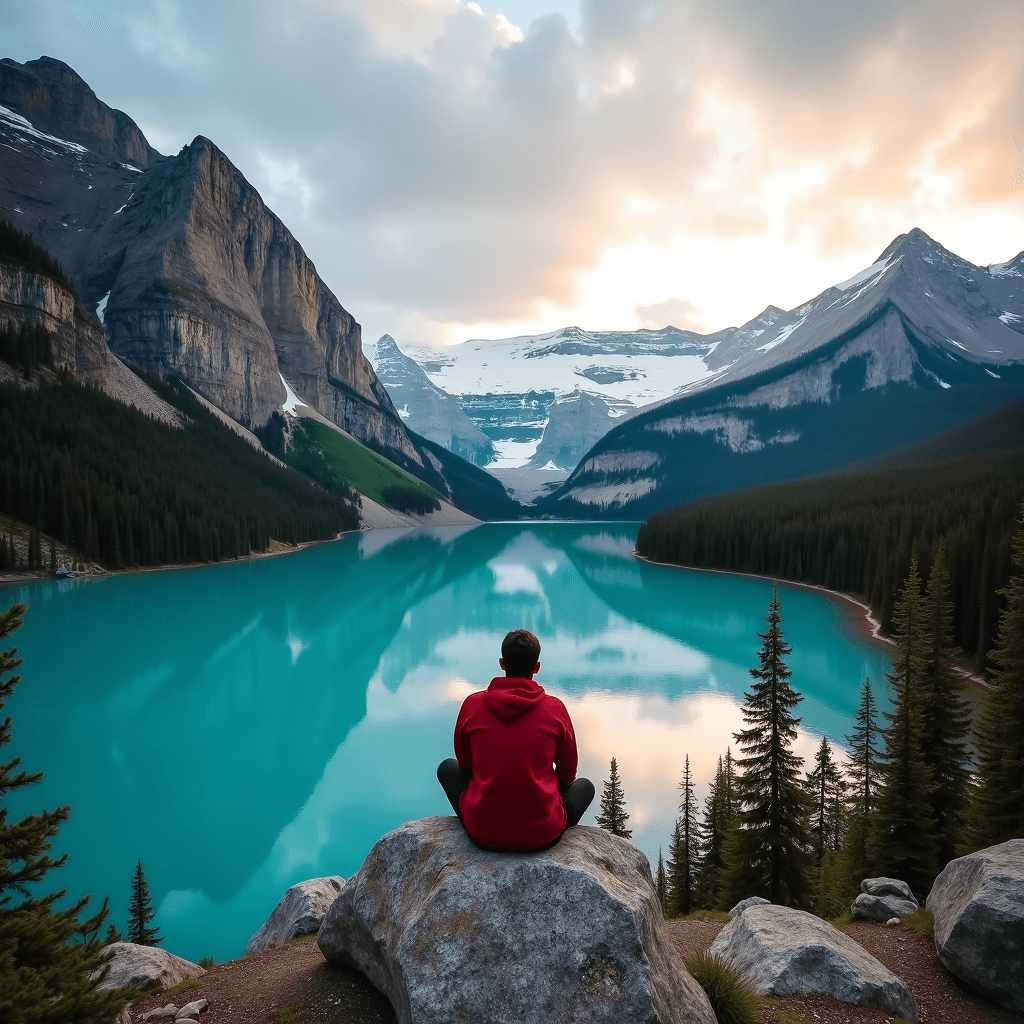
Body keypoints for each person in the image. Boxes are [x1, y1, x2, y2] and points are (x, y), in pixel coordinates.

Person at [437, 628, 595, 851]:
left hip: (482, 832)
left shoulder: (472, 705)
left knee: (447, 768)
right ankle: (541, 815)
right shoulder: (555, 709)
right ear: (537, 667)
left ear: (502, 663)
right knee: (585, 786)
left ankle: (487, 812)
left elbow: (464, 764)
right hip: (542, 834)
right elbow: (568, 774)